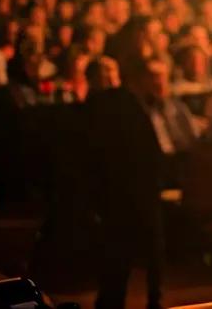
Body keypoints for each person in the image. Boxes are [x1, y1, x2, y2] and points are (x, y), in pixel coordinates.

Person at [86, 58, 174, 309]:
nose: (158, 83)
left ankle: (150, 299)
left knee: (144, 251)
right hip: (129, 189)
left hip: (139, 187)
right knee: (123, 254)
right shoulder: (120, 105)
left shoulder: (145, 106)